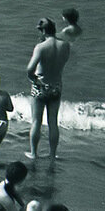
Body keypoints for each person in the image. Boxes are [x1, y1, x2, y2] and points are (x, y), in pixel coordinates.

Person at [27, 18, 70, 160]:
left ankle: (33, 153)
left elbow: (30, 69)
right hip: (56, 86)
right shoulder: (65, 45)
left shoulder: (41, 47)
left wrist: (33, 79)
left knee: (36, 122)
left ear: (43, 30)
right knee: (53, 122)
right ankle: (52, 154)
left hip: (41, 86)